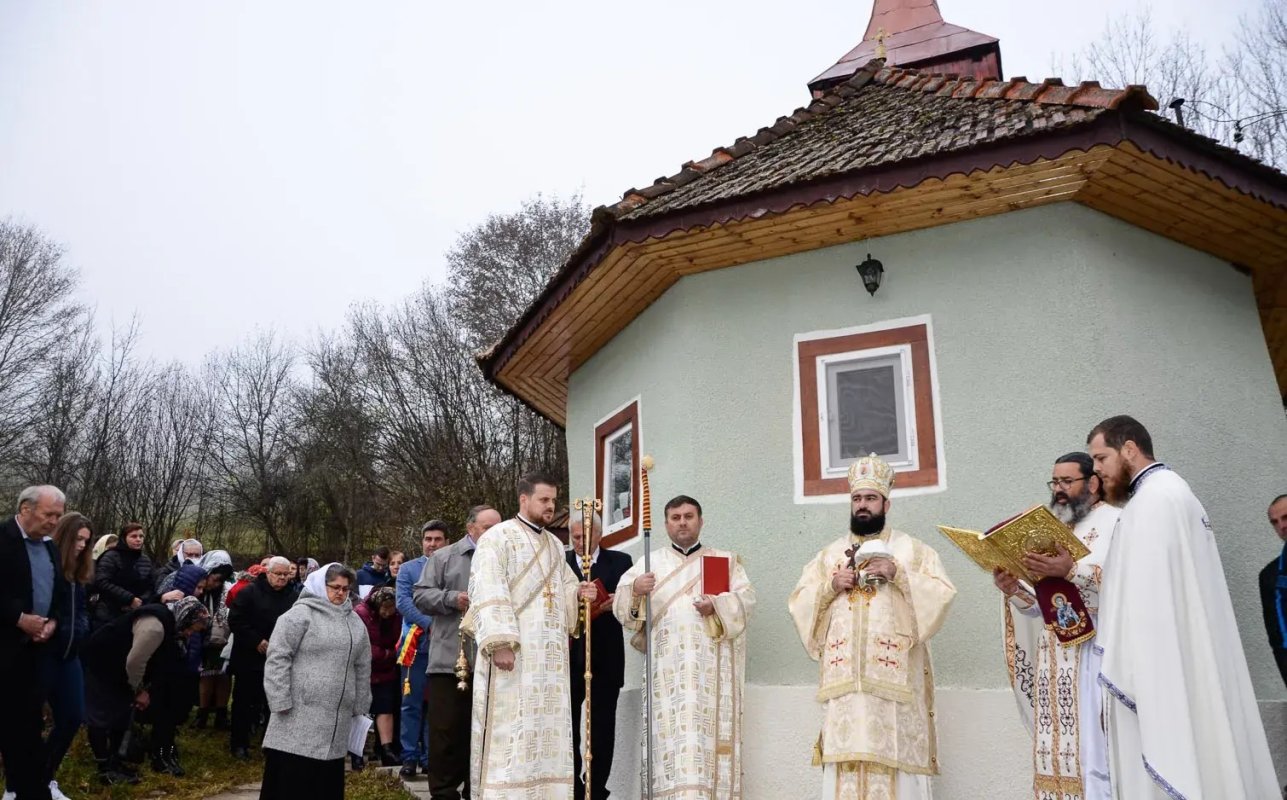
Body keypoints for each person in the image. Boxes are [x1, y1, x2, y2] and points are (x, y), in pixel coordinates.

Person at [1088, 415, 1278, 798]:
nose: (1097, 471)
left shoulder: (1152, 502)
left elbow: (1146, 603)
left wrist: (1134, 667)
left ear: (1129, 449)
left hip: (1165, 670)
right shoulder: (1175, 492)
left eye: (1101, 458)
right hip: (1191, 658)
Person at [788, 454, 956, 800]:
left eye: (870, 498)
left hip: (895, 690)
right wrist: (831, 586)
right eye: (857, 499)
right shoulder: (828, 555)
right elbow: (799, 602)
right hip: (846, 689)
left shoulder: (913, 551)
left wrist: (899, 575)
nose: (862, 505)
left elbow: (941, 595)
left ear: (886, 503)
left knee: (895, 770)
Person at [613, 495, 755, 800]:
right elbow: (623, 609)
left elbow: (746, 602)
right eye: (675, 517)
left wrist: (716, 605)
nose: (682, 522)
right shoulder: (650, 563)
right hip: (667, 677)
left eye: (688, 516)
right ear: (666, 524)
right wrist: (636, 591)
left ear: (700, 521)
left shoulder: (723, 561)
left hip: (710, 675)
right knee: (670, 745)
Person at [994, 453, 1119, 800]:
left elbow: (1124, 587)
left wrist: (1070, 570)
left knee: (1094, 757)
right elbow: (1045, 605)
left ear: (1092, 483)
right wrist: (1015, 589)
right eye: (1055, 483)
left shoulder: (1116, 523)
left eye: (1067, 482)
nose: (1059, 490)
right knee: (1055, 761)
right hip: (1054, 662)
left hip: (1093, 660)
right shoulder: (1055, 530)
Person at [468, 474, 594, 799]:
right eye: (544, 500)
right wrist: (500, 643)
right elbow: (488, 587)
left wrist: (580, 592)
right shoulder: (497, 538)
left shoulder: (555, 545)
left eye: (553, 500)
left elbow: (564, 588)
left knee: (545, 732)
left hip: (550, 661)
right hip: (515, 654)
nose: (551, 506)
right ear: (524, 499)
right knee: (511, 730)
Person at [259, 563, 371, 800]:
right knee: (291, 783)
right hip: (297, 715)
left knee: (324, 784)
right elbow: (278, 658)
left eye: (345, 588)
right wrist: (280, 699)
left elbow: (362, 666)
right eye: (335, 587)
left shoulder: (355, 622)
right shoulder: (299, 615)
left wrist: (360, 705)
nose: (340, 593)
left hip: (336, 720)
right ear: (321, 585)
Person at [415, 506, 500, 800]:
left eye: (498, 527)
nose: (494, 532)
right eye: (487, 527)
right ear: (470, 528)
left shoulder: (506, 557)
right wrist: (452, 598)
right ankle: (443, 792)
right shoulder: (444, 556)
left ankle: (477, 789)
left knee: (482, 731)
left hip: (493, 660)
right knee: (446, 731)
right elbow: (420, 595)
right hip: (450, 658)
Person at [81, 597, 210, 785]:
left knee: (122, 712)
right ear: (185, 618)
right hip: (104, 661)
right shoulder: (155, 627)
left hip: (121, 667)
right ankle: (105, 769)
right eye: (191, 629)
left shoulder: (169, 623)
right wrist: (138, 690)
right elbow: (134, 663)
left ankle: (116, 762)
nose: (189, 634)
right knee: (104, 714)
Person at [0, 486, 69, 800]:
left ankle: (27, 789)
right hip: (6, 646)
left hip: (38, 649)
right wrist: (18, 618)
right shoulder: (2, 539)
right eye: (49, 514)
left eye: (58, 515)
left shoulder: (51, 547)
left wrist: (52, 621)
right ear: (25, 509)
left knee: (28, 723)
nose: (55, 521)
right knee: (14, 723)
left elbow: (58, 594)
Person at [568, 512, 632, 800]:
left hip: (606, 655)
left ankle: (595, 788)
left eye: (584, 536)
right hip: (569, 658)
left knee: (603, 727)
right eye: (575, 537)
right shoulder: (562, 562)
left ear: (598, 534)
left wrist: (605, 603)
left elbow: (628, 601)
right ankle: (573, 786)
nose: (579, 542)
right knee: (567, 726)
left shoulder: (620, 561)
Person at [41, 513, 94, 800]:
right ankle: (18, 785)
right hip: (42, 654)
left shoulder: (78, 572)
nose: (82, 546)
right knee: (26, 724)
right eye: (78, 539)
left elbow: (82, 610)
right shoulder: (46, 565)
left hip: (70, 655)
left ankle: (45, 779)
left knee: (73, 717)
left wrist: (81, 630)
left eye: (86, 541)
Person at [228, 556, 296, 761]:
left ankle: (272, 743)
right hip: (250, 656)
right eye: (278, 574)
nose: (282, 578)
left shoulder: (293, 596)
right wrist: (256, 641)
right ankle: (239, 744)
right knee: (244, 701)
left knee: (274, 702)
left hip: (279, 659)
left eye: (286, 574)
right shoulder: (249, 592)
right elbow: (236, 621)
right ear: (268, 573)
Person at [396, 519, 449, 779]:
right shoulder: (408, 569)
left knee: (437, 705)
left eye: (438, 539)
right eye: (428, 539)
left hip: (446, 646)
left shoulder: (454, 565)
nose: (432, 544)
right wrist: (430, 624)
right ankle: (409, 757)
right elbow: (404, 603)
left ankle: (432, 757)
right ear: (422, 542)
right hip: (415, 646)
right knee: (411, 704)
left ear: (446, 542)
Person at [148, 564, 207, 776]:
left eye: (203, 588)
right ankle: (160, 755)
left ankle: (169, 751)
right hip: (168, 671)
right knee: (165, 715)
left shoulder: (195, 608)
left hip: (187, 669)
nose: (201, 591)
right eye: (198, 587)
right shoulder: (169, 609)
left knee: (175, 716)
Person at [355, 586, 403, 768]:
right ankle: (356, 752)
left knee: (385, 708)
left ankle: (387, 750)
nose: (388, 612)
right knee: (360, 711)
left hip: (386, 670)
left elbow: (398, 640)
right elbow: (363, 645)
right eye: (385, 608)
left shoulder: (397, 616)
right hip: (363, 669)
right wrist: (386, 653)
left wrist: (389, 654)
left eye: (392, 608)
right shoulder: (360, 613)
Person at [193, 550, 235, 730]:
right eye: (215, 579)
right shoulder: (199, 589)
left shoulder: (228, 590)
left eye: (221, 580)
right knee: (206, 675)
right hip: (202, 638)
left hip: (224, 638)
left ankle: (221, 714)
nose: (217, 583)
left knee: (224, 676)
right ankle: (202, 714)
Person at [90, 523, 159, 628]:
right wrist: (129, 599)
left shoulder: (145, 560)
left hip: (136, 613)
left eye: (141, 536)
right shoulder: (111, 556)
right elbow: (102, 581)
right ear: (124, 538)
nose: (138, 539)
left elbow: (150, 584)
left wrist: (141, 600)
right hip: (109, 612)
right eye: (133, 536)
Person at [1260, 494, 1287, 689]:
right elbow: (1278, 639)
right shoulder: (1271, 577)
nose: (1282, 526)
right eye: (1275, 522)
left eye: (1286, 517)